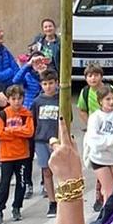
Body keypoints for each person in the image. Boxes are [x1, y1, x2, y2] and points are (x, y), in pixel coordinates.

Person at [0, 84, 34, 224]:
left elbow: (29, 132)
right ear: (8, 99)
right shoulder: (3, 114)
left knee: (21, 183)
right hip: (7, 155)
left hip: (22, 154)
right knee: (4, 183)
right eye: (13, 99)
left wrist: (11, 130)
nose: (17, 101)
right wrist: (17, 131)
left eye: (19, 98)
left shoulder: (27, 113)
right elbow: (0, 134)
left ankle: (17, 207)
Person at [84, 86, 113, 209]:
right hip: (99, 158)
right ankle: (107, 217)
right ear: (100, 101)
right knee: (109, 189)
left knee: (110, 188)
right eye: (107, 99)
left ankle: (107, 211)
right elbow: (94, 141)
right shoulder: (95, 117)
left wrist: (111, 142)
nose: (111, 102)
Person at [33, 72, 63, 215]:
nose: (48, 86)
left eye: (51, 83)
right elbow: (34, 121)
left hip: (57, 140)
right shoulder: (37, 101)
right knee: (46, 170)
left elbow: (66, 119)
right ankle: (52, 201)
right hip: (41, 139)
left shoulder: (61, 99)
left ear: (56, 83)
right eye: (45, 84)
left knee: (60, 170)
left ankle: (63, 196)